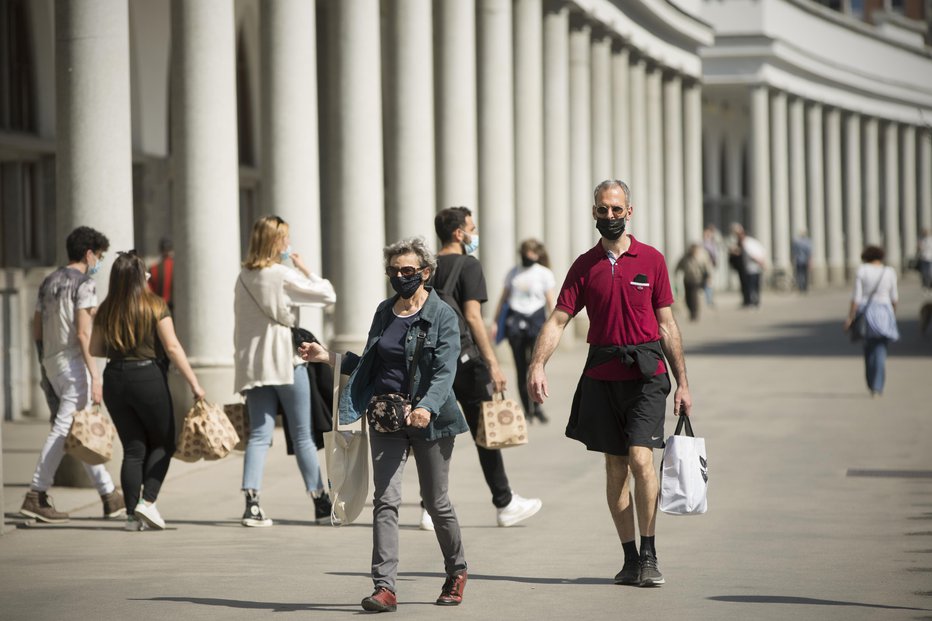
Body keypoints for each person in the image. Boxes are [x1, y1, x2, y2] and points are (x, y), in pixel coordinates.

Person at [527, 180, 693, 588]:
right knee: (615, 466)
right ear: (595, 212)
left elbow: (667, 325)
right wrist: (537, 364)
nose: (610, 216)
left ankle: (650, 554)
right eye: (603, 210)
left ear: (629, 212)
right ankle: (630, 558)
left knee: (641, 459)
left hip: (647, 375)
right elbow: (559, 319)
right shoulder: (585, 266)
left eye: (617, 209)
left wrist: (683, 383)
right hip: (602, 374)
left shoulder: (651, 260)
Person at [299, 237, 469, 612]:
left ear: (426, 273)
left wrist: (424, 407)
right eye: (394, 271)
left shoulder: (442, 316)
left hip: (432, 421)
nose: (401, 277)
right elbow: (371, 363)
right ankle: (384, 587)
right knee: (386, 501)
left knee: (436, 502)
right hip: (386, 417)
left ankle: (456, 571)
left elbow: (445, 371)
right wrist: (325, 356)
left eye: (408, 271)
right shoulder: (384, 311)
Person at [424, 206, 542, 531]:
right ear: (459, 233)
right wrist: (493, 363)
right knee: (484, 431)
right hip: (466, 361)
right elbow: (473, 316)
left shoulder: (427, 267)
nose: (475, 235)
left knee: (435, 435)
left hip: (434, 362)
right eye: (472, 229)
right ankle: (504, 503)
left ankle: (428, 507)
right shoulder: (468, 264)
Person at [90, 251, 206, 531]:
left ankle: (131, 517)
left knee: (133, 448)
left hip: (115, 379)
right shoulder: (154, 305)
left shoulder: (106, 309)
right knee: (165, 442)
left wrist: (121, 345)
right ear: (141, 276)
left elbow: (95, 349)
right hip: (148, 377)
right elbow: (173, 347)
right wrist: (195, 384)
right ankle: (148, 502)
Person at [234, 215, 336, 527]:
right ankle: (319, 501)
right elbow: (327, 295)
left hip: (255, 366)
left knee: (260, 435)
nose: (288, 244)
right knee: (302, 433)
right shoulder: (282, 275)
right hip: (286, 362)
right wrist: (304, 267)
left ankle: (252, 502)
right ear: (276, 241)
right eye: (285, 238)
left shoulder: (242, 277)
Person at [20, 226, 126, 524]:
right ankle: (36, 494)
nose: (100, 262)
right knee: (65, 427)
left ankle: (109, 495)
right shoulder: (85, 285)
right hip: (74, 363)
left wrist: (44, 363)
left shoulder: (48, 282)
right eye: (100, 256)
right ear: (89, 253)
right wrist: (96, 375)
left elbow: (37, 327)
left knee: (76, 429)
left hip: (52, 361)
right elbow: (82, 333)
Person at [492, 239, 556, 423]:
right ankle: (527, 410)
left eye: (531, 253)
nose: (528, 256)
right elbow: (503, 298)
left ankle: (537, 407)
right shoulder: (513, 273)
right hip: (516, 321)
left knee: (534, 365)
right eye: (525, 252)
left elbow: (551, 301)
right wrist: (495, 322)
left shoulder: (544, 274)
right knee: (521, 368)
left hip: (536, 321)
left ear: (537, 254)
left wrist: (553, 326)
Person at [844, 246, 899, 397]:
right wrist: (892, 314)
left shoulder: (862, 270)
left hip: (866, 312)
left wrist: (850, 317)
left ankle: (871, 382)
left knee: (868, 349)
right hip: (884, 312)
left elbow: (856, 297)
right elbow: (894, 297)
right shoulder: (889, 272)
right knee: (881, 349)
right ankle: (878, 385)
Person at [730, 223, 766, 307]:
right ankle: (750, 300)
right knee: (750, 285)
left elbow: (753, 254)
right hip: (747, 268)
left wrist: (760, 262)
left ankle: (753, 301)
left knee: (752, 285)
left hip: (752, 268)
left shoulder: (748, 243)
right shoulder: (741, 243)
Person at [674, 243, 712, 322]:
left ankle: (694, 313)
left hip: (697, 279)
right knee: (688, 298)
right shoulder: (686, 257)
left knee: (694, 297)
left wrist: (708, 277)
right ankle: (691, 311)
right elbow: (678, 266)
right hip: (687, 279)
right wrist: (676, 274)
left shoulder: (701, 257)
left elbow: (707, 268)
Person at [148, 236, 174, 311]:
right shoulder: (177, 268)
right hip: (176, 308)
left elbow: (149, 292)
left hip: (159, 308)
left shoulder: (153, 269)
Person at [701, 224, 719, 307]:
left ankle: (710, 299)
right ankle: (709, 300)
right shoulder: (705, 244)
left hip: (710, 265)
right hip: (706, 265)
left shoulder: (711, 243)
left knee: (709, 282)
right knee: (708, 282)